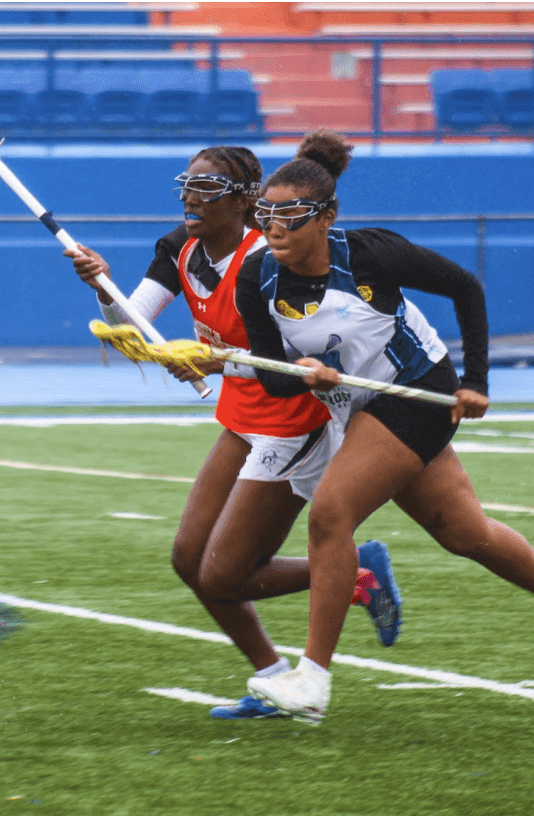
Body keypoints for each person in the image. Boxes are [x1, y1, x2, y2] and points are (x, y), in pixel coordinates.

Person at [236, 129, 534, 726]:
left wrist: (477, 380)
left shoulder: (371, 254)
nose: (274, 229)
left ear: (328, 216)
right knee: (463, 532)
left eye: (291, 216)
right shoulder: (255, 276)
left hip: (417, 390)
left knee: (330, 515)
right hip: (357, 406)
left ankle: (312, 678)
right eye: (266, 215)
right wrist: (304, 375)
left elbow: (466, 287)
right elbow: (273, 378)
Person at [63, 145, 404, 720]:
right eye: (187, 185)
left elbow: (299, 357)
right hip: (243, 418)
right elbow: (131, 322)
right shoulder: (180, 246)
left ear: (245, 201)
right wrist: (104, 287)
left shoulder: (269, 260)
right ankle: (272, 677)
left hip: (295, 421)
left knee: (223, 575)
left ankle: (355, 573)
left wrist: (216, 362)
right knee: (189, 560)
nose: (191, 198)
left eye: (208, 189)